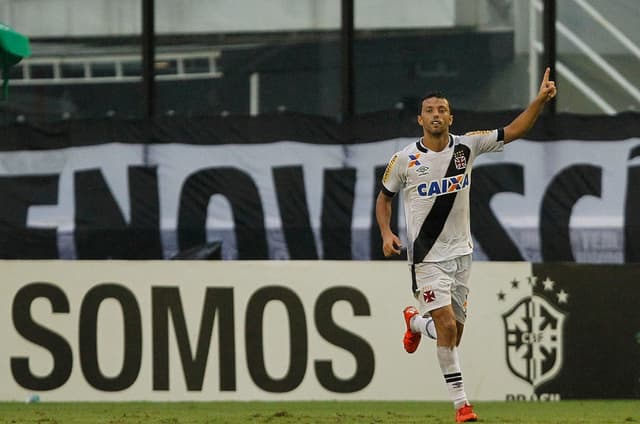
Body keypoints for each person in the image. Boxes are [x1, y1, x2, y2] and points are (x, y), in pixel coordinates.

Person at [375, 68, 557, 422]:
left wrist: (538, 100)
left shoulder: (467, 146)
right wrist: (386, 233)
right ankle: (462, 406)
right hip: (426, 258)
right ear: (420, 119)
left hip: (462, 255)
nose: (436, 115)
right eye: (430, 110)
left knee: (452, 335)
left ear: (450, 117)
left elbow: (516, 129)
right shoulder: (404, 160)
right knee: (445, 327)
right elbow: (384, 199)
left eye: (442, 109)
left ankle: (414, 323)